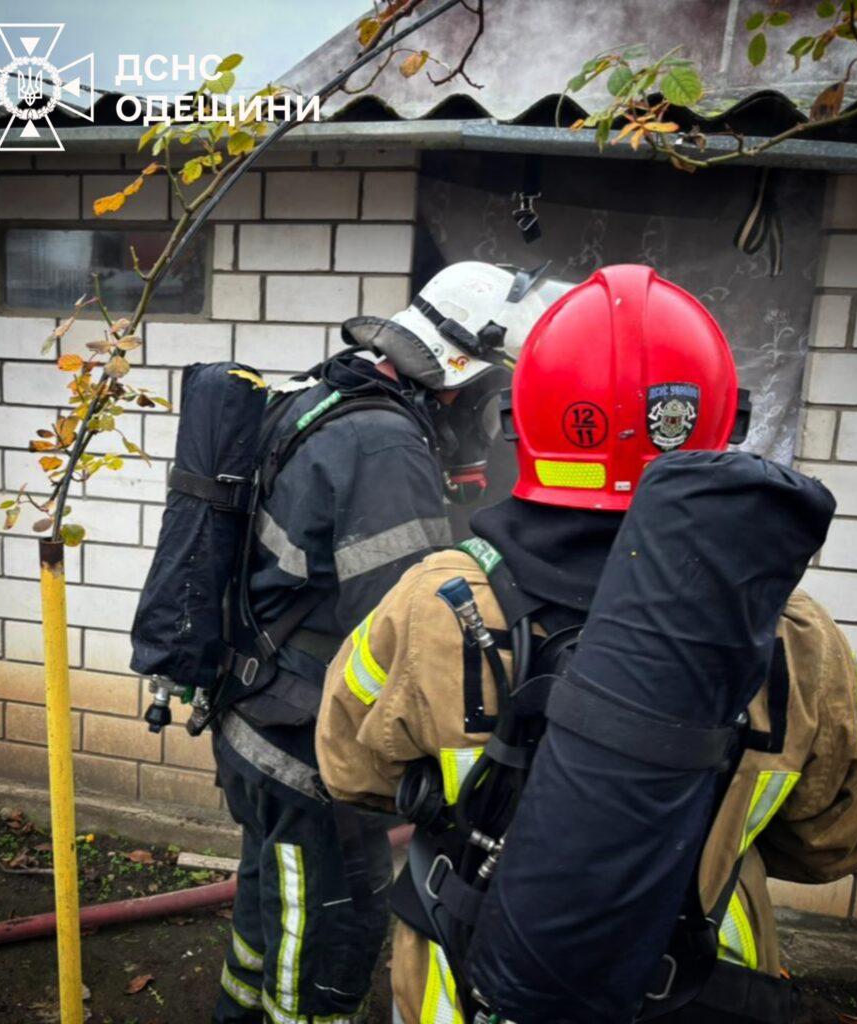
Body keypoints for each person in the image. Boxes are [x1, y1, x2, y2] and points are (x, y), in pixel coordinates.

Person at [315, 265, 857, 1024]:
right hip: (704, 993)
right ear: (718, 427)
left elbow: (350, 771)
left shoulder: (435, 599)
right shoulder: (797, 634)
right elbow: (836, 844)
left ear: (524, 424)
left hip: (467, 985)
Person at [211, 260, 570, 1024]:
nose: (495, 413)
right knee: (329, 938)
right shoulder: (387, 447)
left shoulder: (331, 395)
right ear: (461, 374)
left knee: (268, 912)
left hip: (254, 713)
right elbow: (410, 634)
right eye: (495, 392)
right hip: (304, 752)